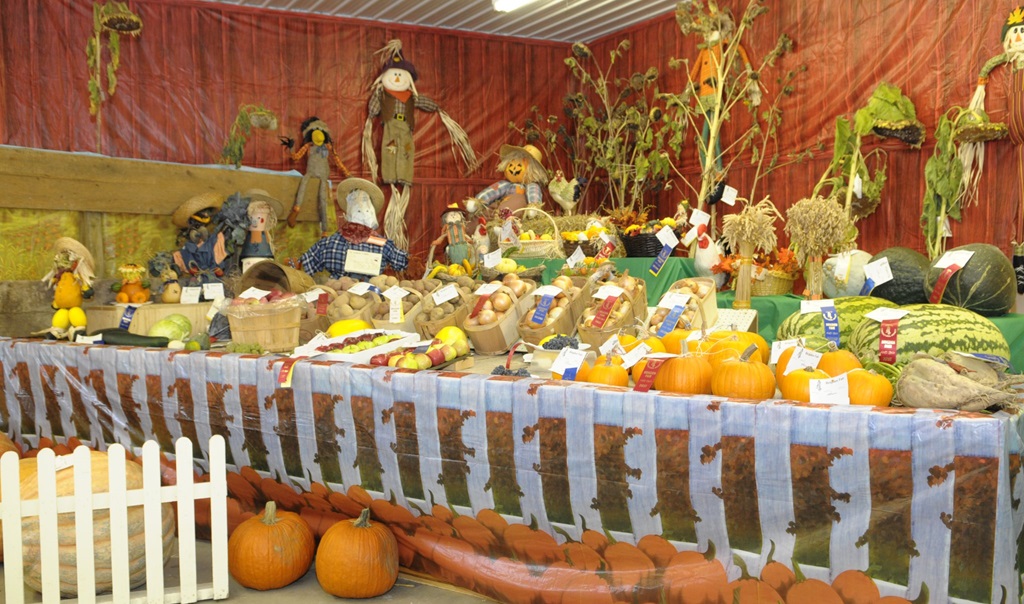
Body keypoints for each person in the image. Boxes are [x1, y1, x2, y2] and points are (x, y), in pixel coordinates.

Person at [299, 178, 408, 280]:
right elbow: (404, 262)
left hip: (347, 291)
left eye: (364, 207)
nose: (360, 208)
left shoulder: (327, 244)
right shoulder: (328, 244)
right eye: (357, 208)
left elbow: (304, 265)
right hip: (344, 291)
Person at [282, 117, 350, 236]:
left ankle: (324, 230)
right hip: (310, 173)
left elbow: (337, 160)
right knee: (302, 187)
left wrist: (347, 174)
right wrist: (291, 148)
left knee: (322, 199)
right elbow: (296, 157)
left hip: (323, 176)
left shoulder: (327, 147)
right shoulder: (308, 146)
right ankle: (295, 211)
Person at [465, 144, 548, 218]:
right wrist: (478, 201)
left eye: (519, 165)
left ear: (533, 170)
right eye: (511, 164)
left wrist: (534, 208)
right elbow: (492, 190)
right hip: (502, 205)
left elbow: (534, 194)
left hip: (517, 212)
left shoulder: (531, 186)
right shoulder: (505, 184)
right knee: (488, 210)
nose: (514, 168)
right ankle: (488, 222)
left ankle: (502, 221)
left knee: (517, 200)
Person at [431, 203, 473, 267]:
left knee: (466, 258)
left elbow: (464, 235)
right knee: (453, 258)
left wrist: (469, 240)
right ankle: (456, 267)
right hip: (453, 246)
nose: (454, 216)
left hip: (463, 245)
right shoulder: (447, 227)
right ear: (445, 218)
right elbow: (443, 236)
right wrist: (438, 241)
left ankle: (465, 267)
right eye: (451, 215)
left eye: (456, 214)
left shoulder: (461, 226)